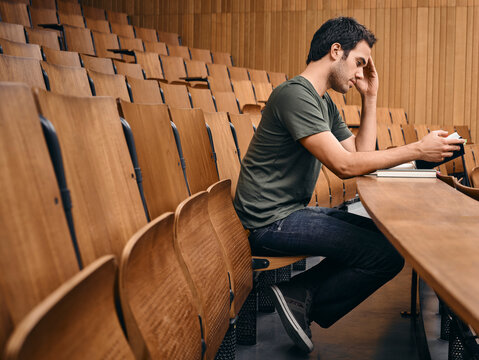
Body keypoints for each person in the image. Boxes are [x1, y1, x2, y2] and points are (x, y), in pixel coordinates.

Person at [233, 17, 465, 353]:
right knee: (384, 255)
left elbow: (361, 155)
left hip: (289, 214)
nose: (359, 73)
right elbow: (344, 166)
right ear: (335, 51)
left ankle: (301, 293)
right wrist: (417, 148)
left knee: (388, 241)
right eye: (359, 63)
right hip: (269, 223)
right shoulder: (294, 95)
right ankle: (300, 294)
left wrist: (370, 97)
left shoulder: (323, 101)